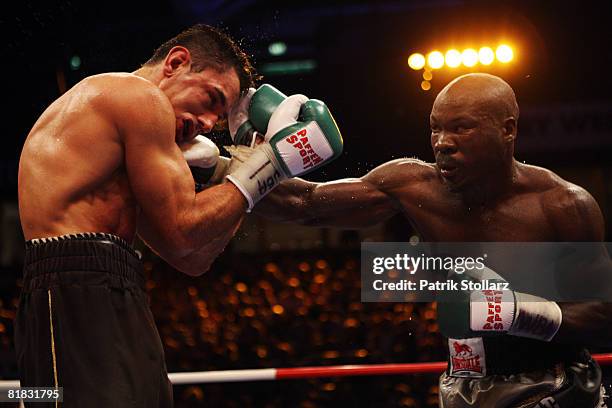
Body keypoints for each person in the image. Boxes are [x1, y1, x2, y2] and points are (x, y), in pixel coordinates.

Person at [16, 23, 342, 407]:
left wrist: (253, 162)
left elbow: (193, 256)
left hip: (113, 283)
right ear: (176, 62)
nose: (207, 124)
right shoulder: (136, 95)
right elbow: (185, 232)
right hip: (72, 288)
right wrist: (270, 162)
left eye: (218, 119)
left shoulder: (128, 141)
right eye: (211, 98)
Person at [255, 73, 611, 407]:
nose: (443, 143)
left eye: (461, 128)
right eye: (436, 128)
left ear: (508, 130)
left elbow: (604, 314)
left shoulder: (563, 206)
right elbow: (305, 203)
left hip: (556, 386)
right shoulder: (413, 186)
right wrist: (226, 168)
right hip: (464, 385)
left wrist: (519, 313)